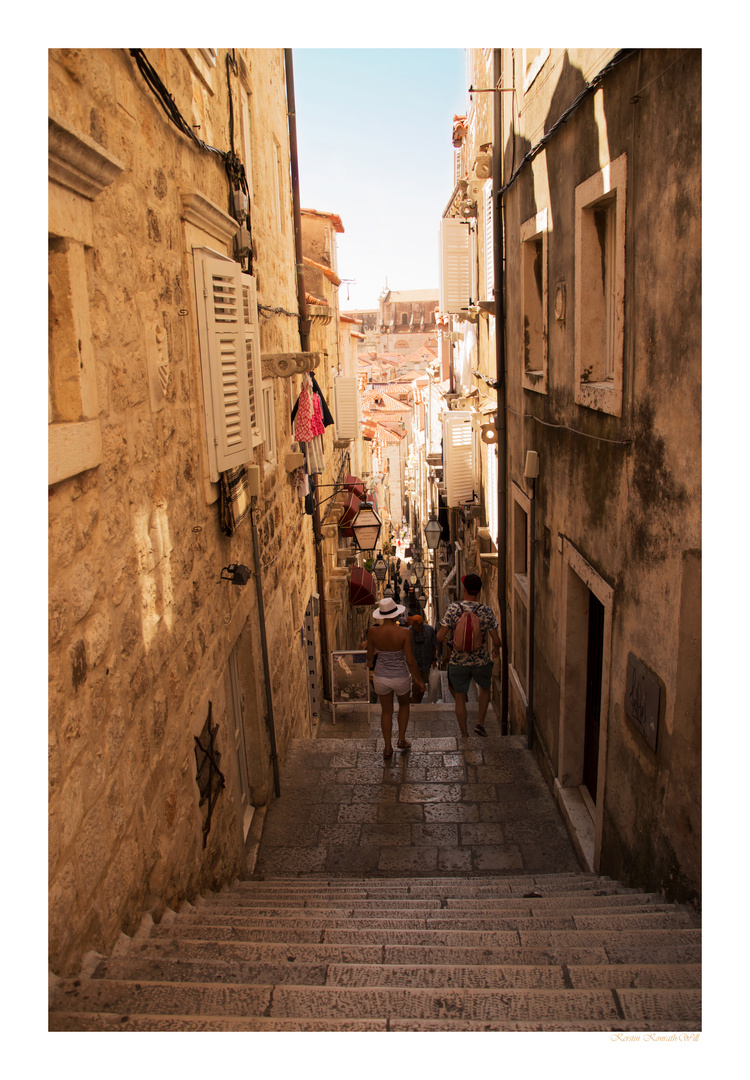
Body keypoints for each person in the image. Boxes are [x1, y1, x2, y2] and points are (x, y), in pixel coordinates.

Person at [437, 573, 500, 738]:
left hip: (458, 661)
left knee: (459, 697)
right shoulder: (486, 610)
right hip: (480, 660)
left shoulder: (454, 609)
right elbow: (496, 640)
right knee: (485, 689)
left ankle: (464, 734)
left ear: (464, 589)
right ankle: (480, 723)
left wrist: (452, 640)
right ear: (479, 591)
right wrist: (496, 649)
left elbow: (439, 636)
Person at [366, 596, 425, 758]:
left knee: (386, 711)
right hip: (400, 676)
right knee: (404, 705)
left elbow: (369, 657)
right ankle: (401, 740)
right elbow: (410, 660)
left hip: (381, 677)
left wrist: (372, 660)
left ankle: (387, 748)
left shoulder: (372, 632)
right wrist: (419, 679)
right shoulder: (404, 633)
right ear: (395, 615)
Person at [407, 614, 437, 703]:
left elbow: (433, 645)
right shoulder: (408, 632)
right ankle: (415, 700)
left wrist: (434, 659)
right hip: (413, 664)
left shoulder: (429, 630)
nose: (416, 629)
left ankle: (416, 700)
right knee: (417, 683)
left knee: (422, 684)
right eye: (414, 627)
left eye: (418, 626)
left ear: (422, 624)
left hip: (426, 662)